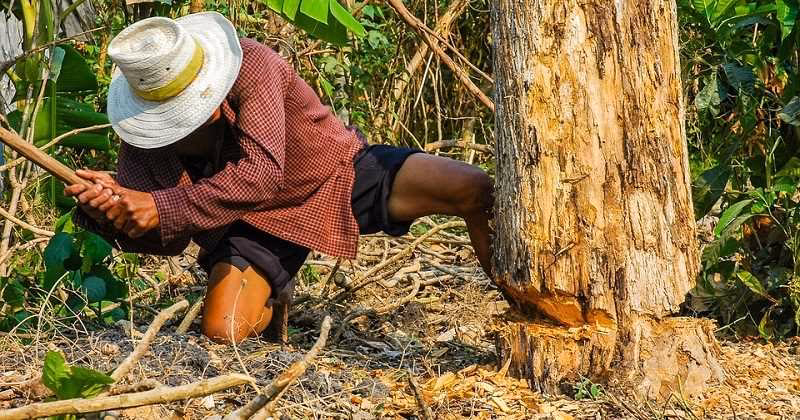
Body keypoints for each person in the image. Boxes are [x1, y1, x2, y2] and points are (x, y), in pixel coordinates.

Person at [65, 12, 493, 344]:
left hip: (334, 174)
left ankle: (529, 302)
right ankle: (272, 294)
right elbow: (171, 239)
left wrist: (158, 206)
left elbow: (261, 175)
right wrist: (113, 212)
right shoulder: (142, 131)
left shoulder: (254, 65)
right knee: (223, 331)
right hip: (249, 222)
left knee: (476, 190)